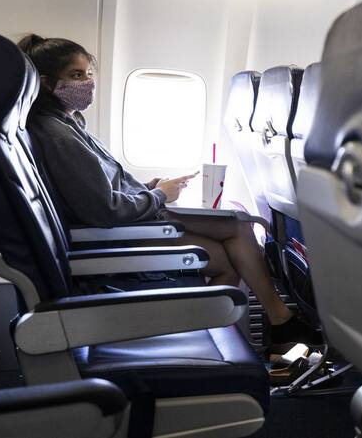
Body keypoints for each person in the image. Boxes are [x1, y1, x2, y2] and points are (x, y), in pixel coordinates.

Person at [17, 34, 319, 345]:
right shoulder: (58, 135)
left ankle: (239, 336)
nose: (88, 83)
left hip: (130, 218)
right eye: (76, 76)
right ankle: (263, 328)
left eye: (89, 74)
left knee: (226, 254)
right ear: (46, 83)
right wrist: (161, 196)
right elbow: (102, 209)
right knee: (238, 229)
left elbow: (99, 187)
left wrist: (150, 188)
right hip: (117, 229)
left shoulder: (69, 123)